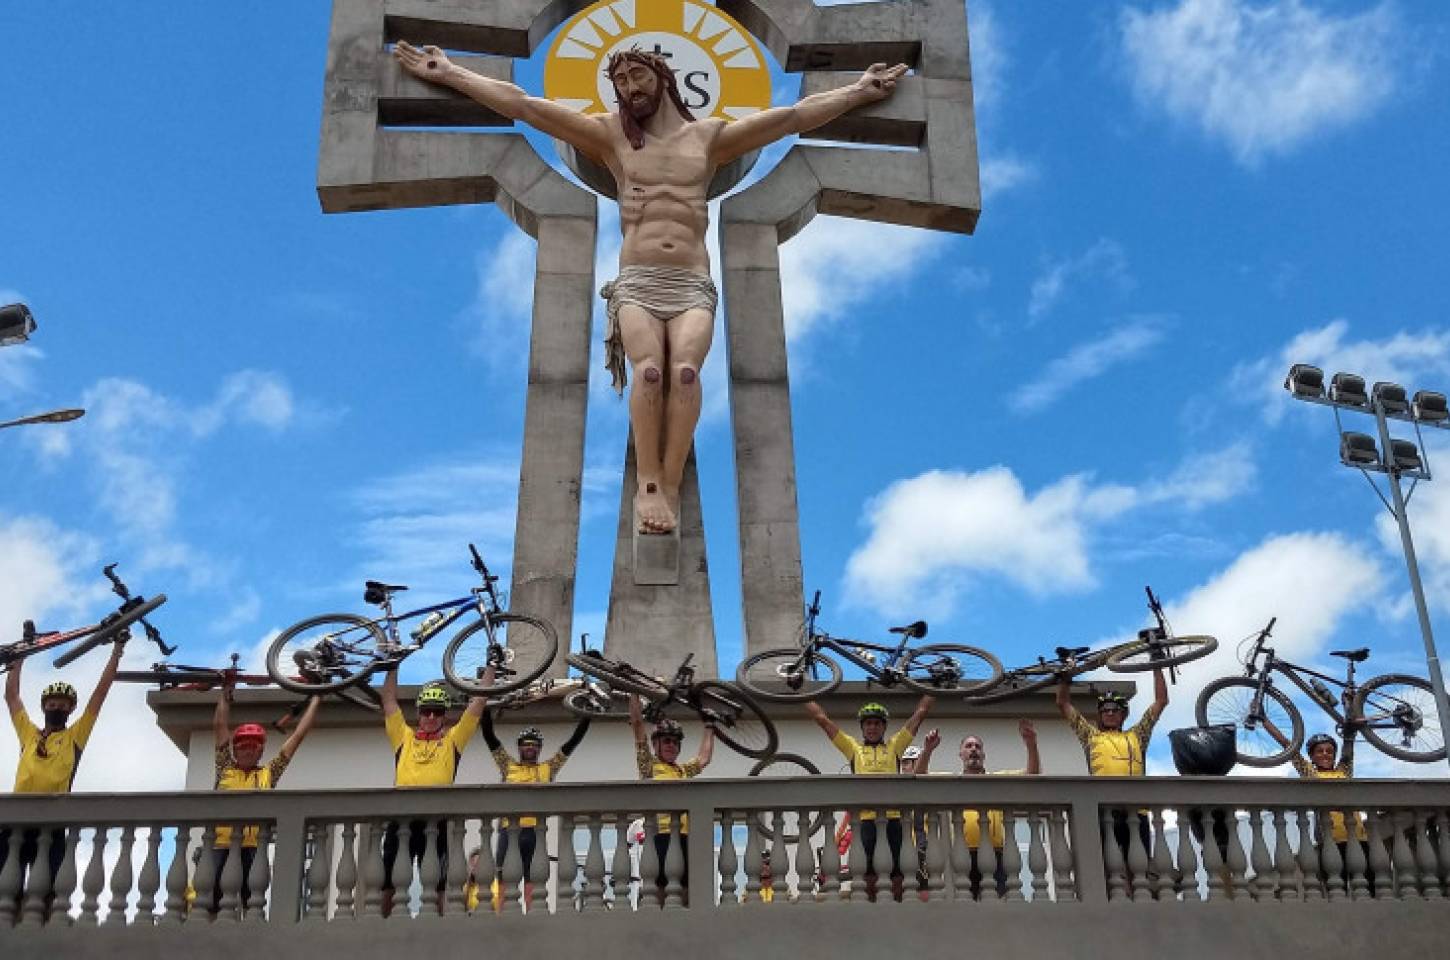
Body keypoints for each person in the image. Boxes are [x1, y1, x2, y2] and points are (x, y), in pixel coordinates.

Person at [393, 41, 907, 535]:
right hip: (638, 280)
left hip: (691, 282)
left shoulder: (709, 139)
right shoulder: (609, 136)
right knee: (652, 371)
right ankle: (649, 483)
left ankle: (671, 482)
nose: (630, 86)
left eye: (638, 75)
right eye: (620, 80)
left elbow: (791, 118)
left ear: (664, 79)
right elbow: (526, 106)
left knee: (684, 374)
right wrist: (451, 74)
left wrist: (859, 91)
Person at [3, 638, 127, 908]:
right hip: (17, 819)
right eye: (51, 704)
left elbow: (99, 696)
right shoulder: (29, 733)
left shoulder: (74, 737)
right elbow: (11, 697)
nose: (56, 708)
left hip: (53, 820)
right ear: (44, 707)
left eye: (62, 705)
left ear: (70, 709)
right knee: (5, 885)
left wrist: (116, 653)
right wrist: (21, 657)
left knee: (46, 889)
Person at [804, 696, 934, 901]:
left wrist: (933, 690)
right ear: (863, 728)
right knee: (868, 875)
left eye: (877, 723)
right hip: (866, 822)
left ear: (884, 727)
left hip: (894, 821)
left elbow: (919, 715)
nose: (872, 727)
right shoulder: (853, 748)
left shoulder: (894, 747)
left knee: (898, 874)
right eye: (868, 723)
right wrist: (802, 695)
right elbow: (822, 719)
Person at [378, 672, 486, 915]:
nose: (430, 716)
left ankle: (442, 935)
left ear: (444, 716)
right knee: (388, 879)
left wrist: (491, 667)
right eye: (426, 711)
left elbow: (477, 705)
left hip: (436, 822)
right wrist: (393, 665)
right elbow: (388, 700)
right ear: (418, 713)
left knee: (439, 883)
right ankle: (380, 929)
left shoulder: (452, 741)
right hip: (402, 817)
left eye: (437, 712)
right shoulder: (404, 737)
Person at [208, 682, 322, 913]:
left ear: (260, 751)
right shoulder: (225, 767)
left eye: (253, 746)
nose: (247, 750)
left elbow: (297, 737)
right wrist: (224, 696)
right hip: (221, 845)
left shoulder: (269, 773)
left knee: (252, 904)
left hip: (253, 848)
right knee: (212, 904)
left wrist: (317, 700)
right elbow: (220, 726)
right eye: (242, 746)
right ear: (235, 749)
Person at [912, 720, 1041, 898]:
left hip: (994, 854)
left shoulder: (997, 780)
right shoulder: (951, 781)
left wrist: (1031, 744)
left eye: (978, 746)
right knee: (962, 907)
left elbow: (1032, 774)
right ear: (961, 754)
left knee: (996, 906)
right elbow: (920, 777)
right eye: (969, 746)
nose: (974, 749)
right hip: (960, 855)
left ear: (983, 754)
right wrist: (927, 750)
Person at [482, 711, 591, 906]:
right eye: (526, 744)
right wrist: (485, 706)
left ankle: (531, 918)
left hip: (533, 833)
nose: (530, 747)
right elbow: (489, 736)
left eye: (534, 745)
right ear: (519, 747)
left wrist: (587, 716)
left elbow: (571, 744)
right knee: (504, 880)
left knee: (532, 881)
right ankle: (501, 919)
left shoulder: (548, 768)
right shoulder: (507, 765)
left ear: (540, 749)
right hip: (509, 831)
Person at [1056, 676, 1167, 860]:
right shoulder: (1091, 736)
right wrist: (1065, 679)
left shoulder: (1137, 735)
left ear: (1123, 714)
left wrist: (1157, 663)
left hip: (1136, 811)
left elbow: (1161, 701)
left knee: (1139, 866)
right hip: (1105, 810)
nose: (1110, 713)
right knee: (1108, 866)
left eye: (1115, 710)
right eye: (1105, 710)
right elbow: (1063, 703)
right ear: (1100, 715)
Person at [631, 694, 713, 903]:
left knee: (687, 894)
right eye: (666, 741)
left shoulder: (682, 770)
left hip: (686, 837)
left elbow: (704, 759)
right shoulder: (648, 766)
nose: (671, 745)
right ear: (656, 744)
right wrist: (633, 693)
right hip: (661, 837)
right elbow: (638, 726)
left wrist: (709, 727)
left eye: (675, 742)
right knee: (660, 893)